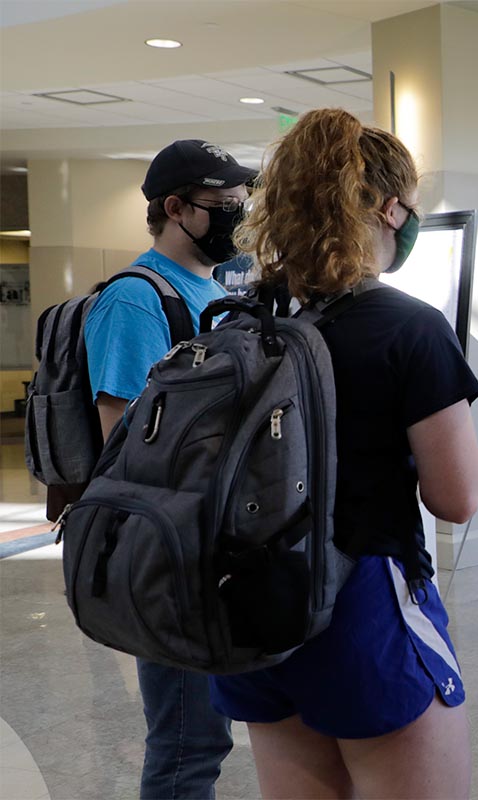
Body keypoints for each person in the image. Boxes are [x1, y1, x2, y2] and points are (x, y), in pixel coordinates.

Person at [208, 109, 478, 799]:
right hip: (362, 609)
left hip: (254, 615)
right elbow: (456, 498)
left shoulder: (246, 319)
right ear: (390, 211)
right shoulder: (408, 328)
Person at [84, 139, 255, 798]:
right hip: (173, 554)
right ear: (176, 208)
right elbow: (128, 448)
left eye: (243, 204)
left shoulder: (213, 288)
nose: (238, 217)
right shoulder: (135, 300)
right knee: (187, 743)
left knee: (206, 737)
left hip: (218, 546)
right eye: (224, 206)